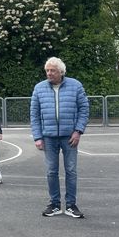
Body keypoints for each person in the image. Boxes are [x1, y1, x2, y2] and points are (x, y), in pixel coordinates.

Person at [30, 57, 89, 219]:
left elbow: (84, 109)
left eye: (53, 70)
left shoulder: (75, 85)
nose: (49, 73)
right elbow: (34, 115)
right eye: (47, 70)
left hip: (70, 136)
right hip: (48, 137)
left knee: (71, 170)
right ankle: (54, 204)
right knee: (51, 171)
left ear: (61, 71)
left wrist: (78, 131)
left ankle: (71, 205)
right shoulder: (39, 88)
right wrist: (37, 136)